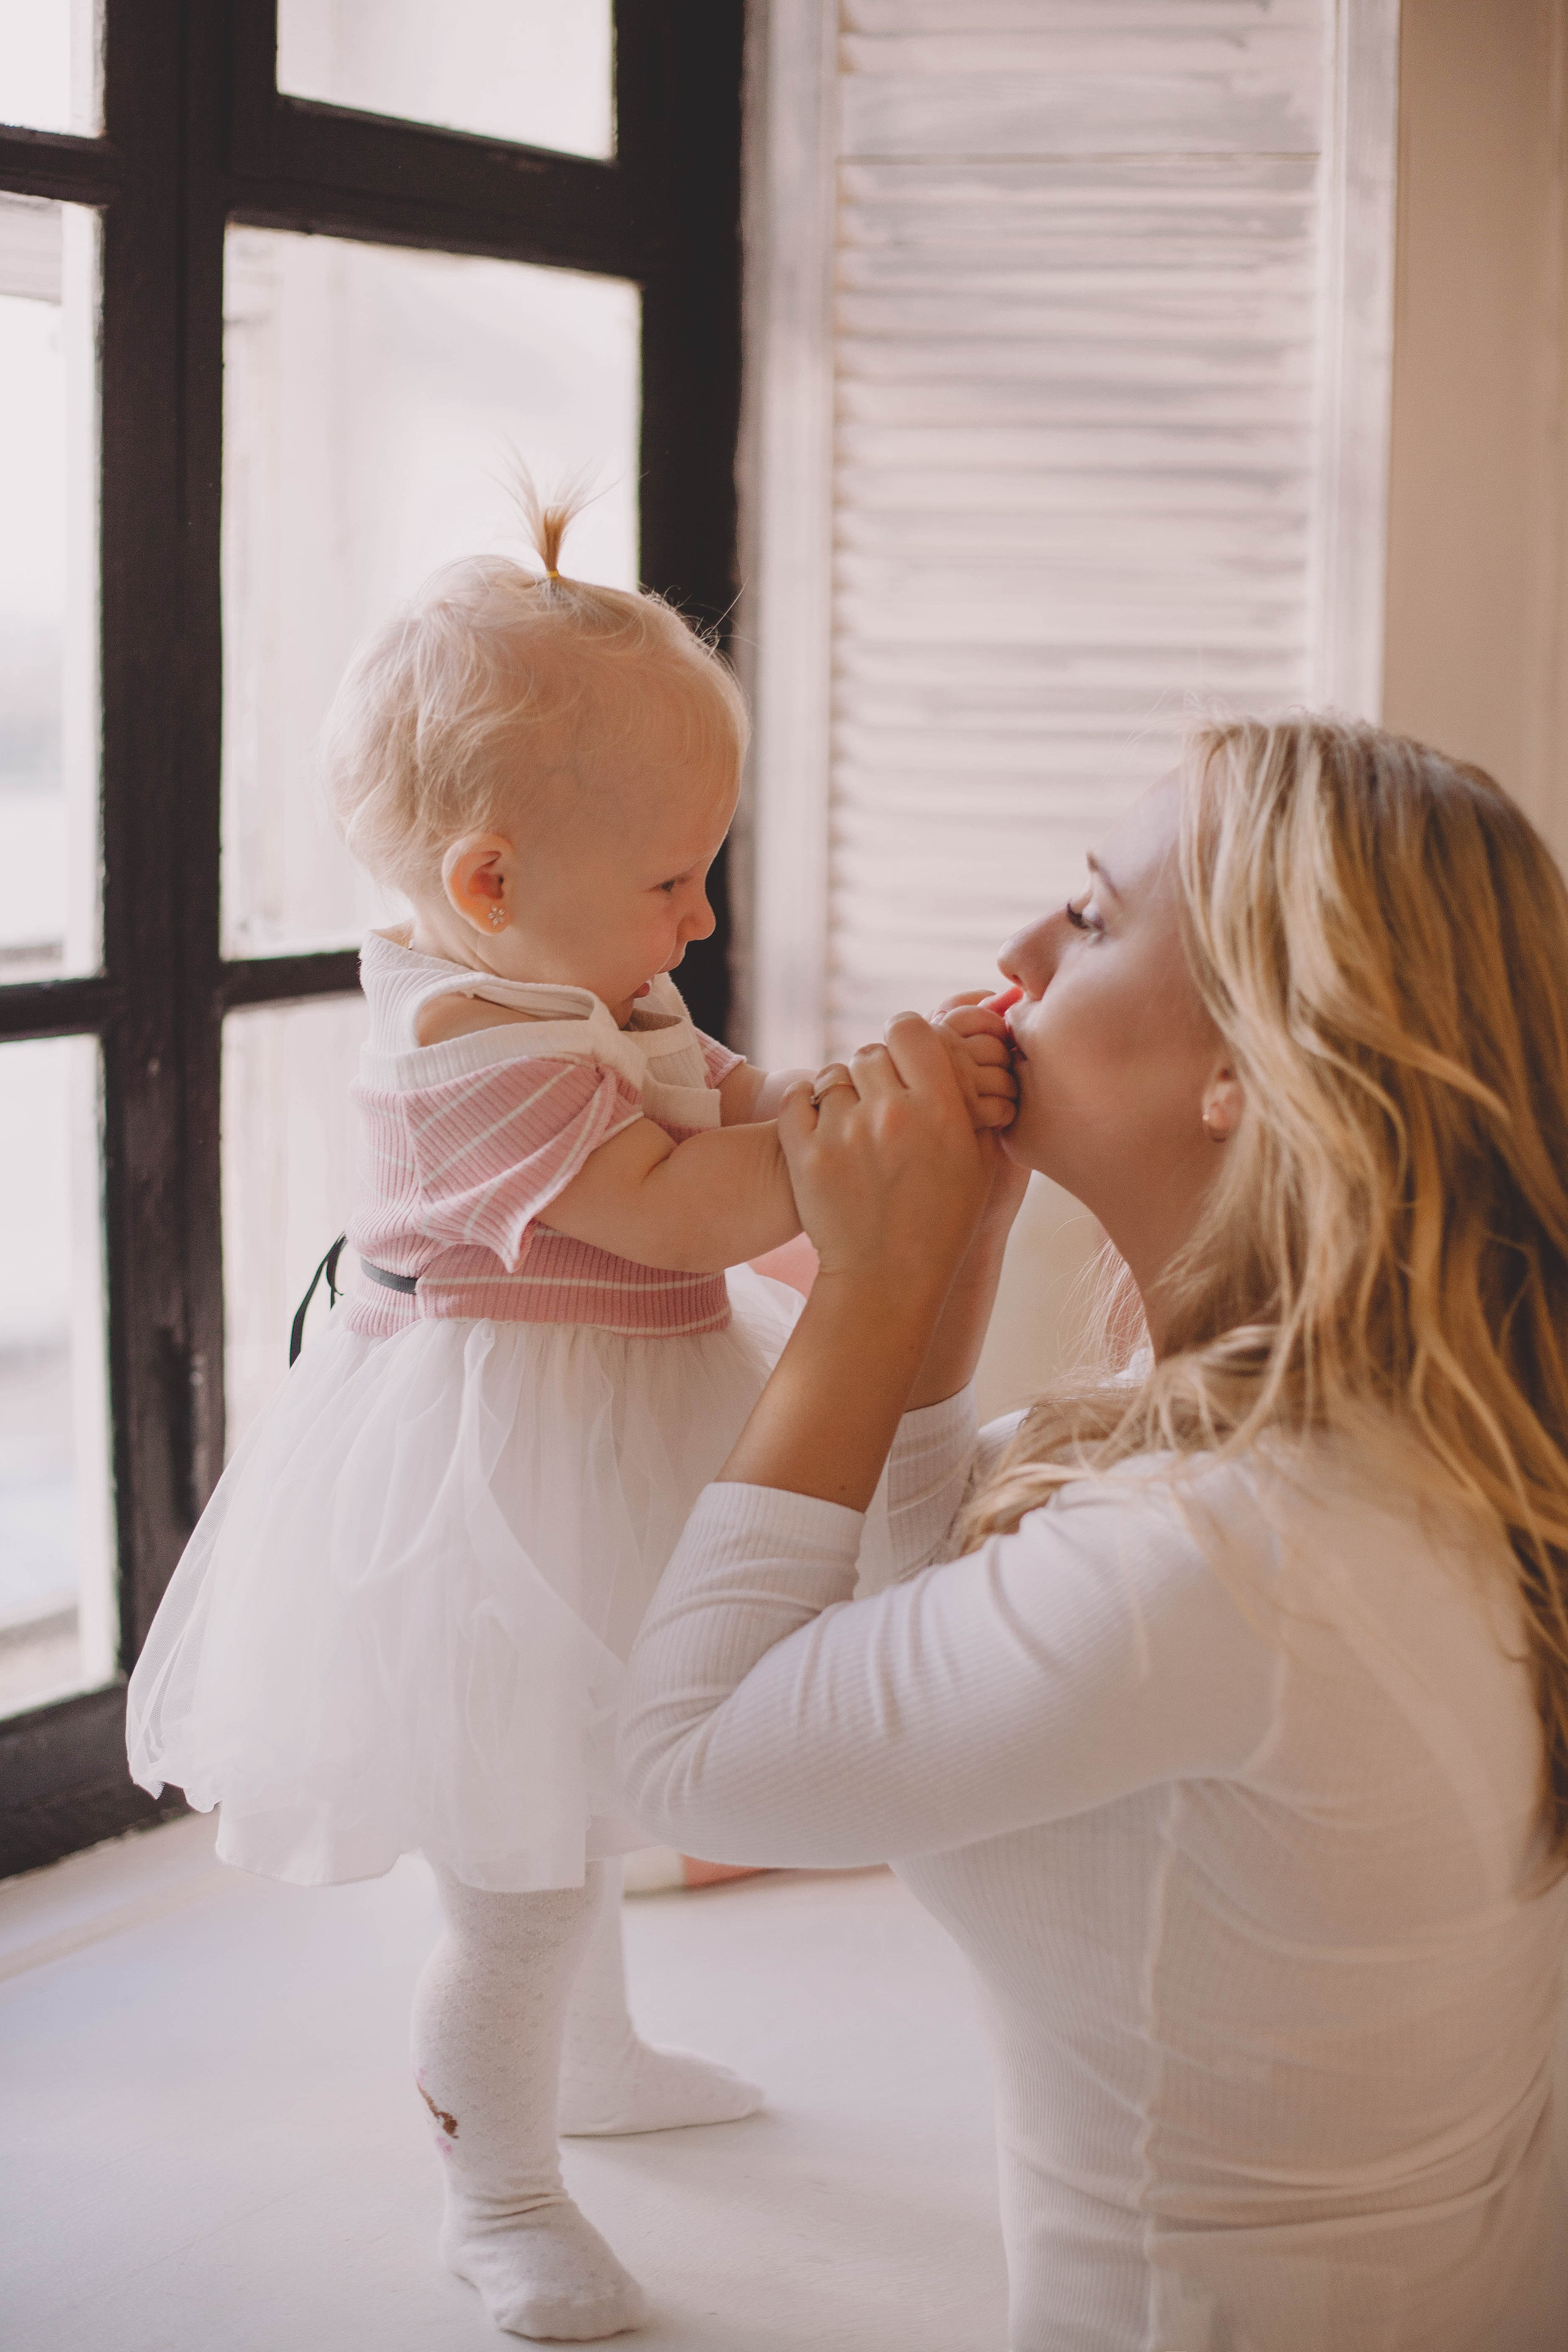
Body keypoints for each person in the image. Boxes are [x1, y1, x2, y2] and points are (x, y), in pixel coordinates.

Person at [124, 486, 1015, 2344]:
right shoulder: (462, 1045)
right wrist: (859, 1166)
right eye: (674, 879)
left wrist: (866, 1096)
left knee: (595, 1782)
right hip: (493, 1478)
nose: (702, 914)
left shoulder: (603, 976)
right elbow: (681, 1203)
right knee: (518, 1874)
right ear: (488, 886)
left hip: (627, 1429)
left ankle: (594, 2068)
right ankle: (501, 2190)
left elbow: (730, 1103)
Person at [621, 715, 1568, 2351]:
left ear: (1248, 1067)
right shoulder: (1361, 1438)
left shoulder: (1236, 1545)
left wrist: (875, 1279)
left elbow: (689, 1758)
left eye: (1093, 916)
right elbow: (926, 1631)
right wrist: (952, 1257)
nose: (1017, 954)